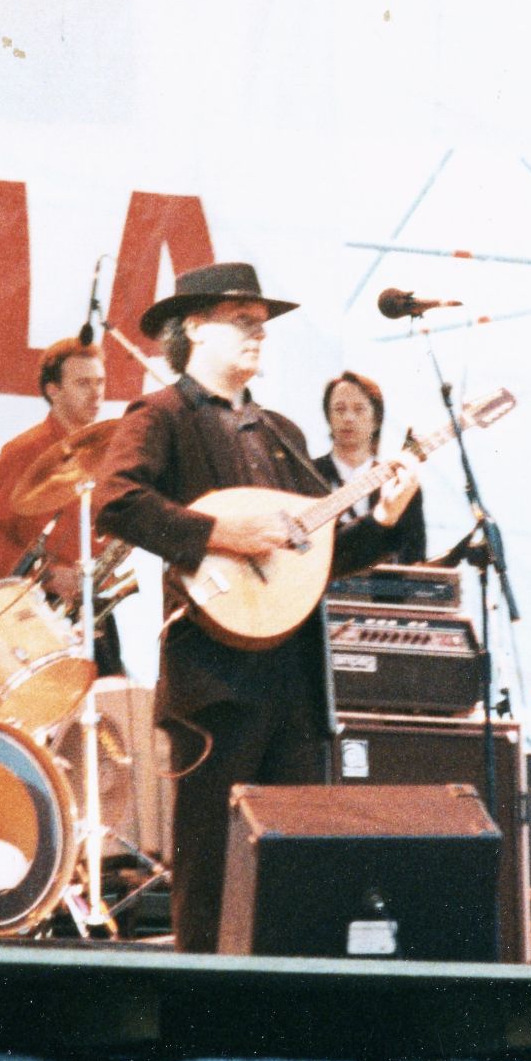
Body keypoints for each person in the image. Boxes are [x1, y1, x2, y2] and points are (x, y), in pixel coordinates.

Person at [94, 262, 419, 952]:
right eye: (242, 321)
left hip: (295, 681)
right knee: (212, 864)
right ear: (193, 329)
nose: (258, 333)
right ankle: (201, 1026)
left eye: (261, 325)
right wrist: (218, 532)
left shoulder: (283, 433)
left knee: (297, 858)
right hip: (215, 681)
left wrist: (385, 522)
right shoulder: (162, 416)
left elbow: (310, 559)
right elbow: (116, 500)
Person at [0, 335, 123, 676]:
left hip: (93, 605)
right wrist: (48, 576)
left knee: (112, 709)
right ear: (53, 390)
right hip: (38, 611)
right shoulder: (23, 452)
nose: (96, 393)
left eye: (100, 382)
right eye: (83, 383)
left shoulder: (109, 451)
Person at [313, 371, 427, 564]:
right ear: (328, 417)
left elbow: (414, 559)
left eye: (359, 409)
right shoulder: (308, 472)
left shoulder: (400, 483)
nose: (348, 418)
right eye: (339, 409)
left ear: (376, 420)